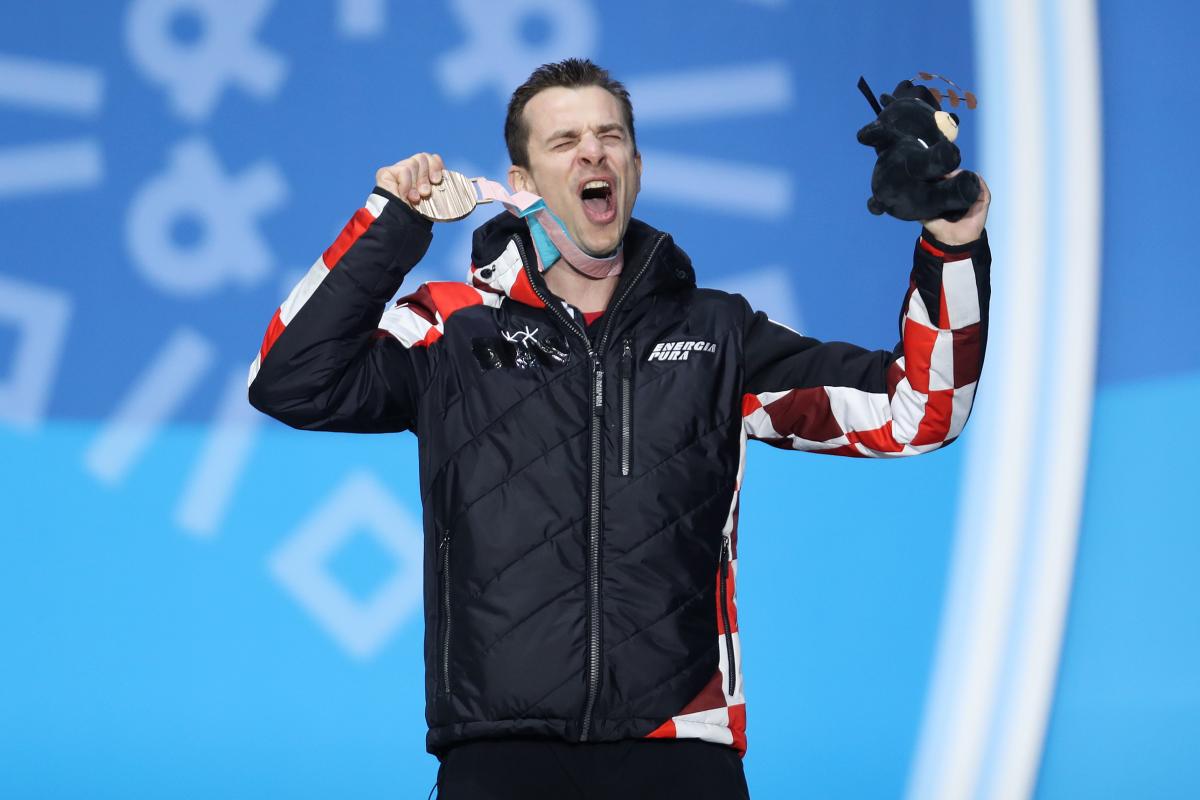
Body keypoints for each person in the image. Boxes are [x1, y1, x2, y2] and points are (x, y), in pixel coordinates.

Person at [248, 58, 991, 799]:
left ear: (635, 167)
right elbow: (289, 381)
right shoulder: (451, 329)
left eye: (609, 137)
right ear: (523, 183)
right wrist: (394, 223)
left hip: (680, 752)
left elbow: (918, 412)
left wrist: (952, 240)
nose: (593, 153)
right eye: (565, 141)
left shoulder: (720, 334)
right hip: (500, 755)